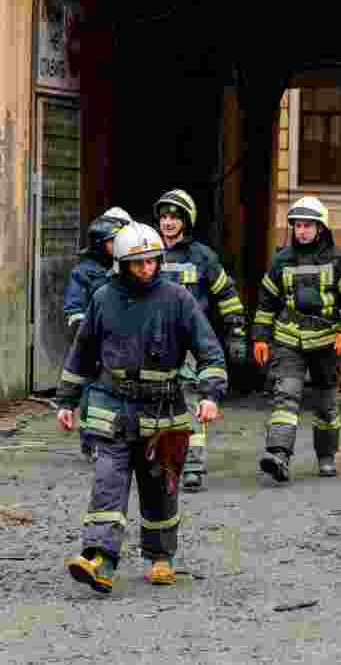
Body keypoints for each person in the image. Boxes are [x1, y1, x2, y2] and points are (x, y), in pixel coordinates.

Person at [56, 222, 227, 593]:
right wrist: (66, 400)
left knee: (159, 489)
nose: (147, 269)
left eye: (152, 261)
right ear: (121, 264)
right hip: (113, 409)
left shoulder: (178, 298)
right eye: (138, 263)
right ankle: (100, 560)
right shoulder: (103, 298)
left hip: (163, 411)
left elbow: (209, 350)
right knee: (107, 484)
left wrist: (211, 394)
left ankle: (160, 558)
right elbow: (82, 352)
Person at [252, 196, 341, 481]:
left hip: (327, 342)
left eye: (307, 226)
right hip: (289, 339)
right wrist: (261, 338)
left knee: (325, 404)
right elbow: (267, 303)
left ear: (321, 228)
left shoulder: (339, 260)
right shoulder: (281, 261)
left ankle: (326, 456)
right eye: (297, 226)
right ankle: (279, 455)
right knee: (285, 396)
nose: (301, 231)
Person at [153, 189, 247, 492]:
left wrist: (235, 331)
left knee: (190, 399)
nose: (168, 222)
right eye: (164, 217)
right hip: (153, 342)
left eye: (174, 217)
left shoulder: (202, 257)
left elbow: (226, 294)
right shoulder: (147, 251)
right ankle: (157, 462)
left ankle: (192, 466)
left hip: (190, 341)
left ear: (185, 221)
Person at [62, 206, 131, 463]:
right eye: (112, 241)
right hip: (96, 343)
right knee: (93, 390)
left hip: (123, 345)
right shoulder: (85, 271)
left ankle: (116, 438)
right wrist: (86, 339)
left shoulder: (130, 267)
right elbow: (74, 308)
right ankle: (91, 440)